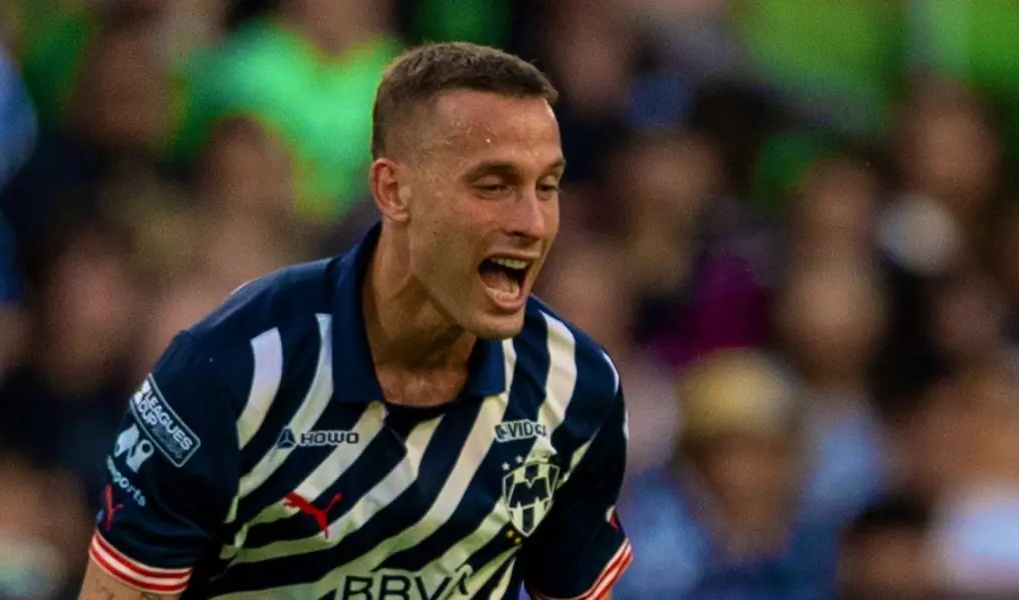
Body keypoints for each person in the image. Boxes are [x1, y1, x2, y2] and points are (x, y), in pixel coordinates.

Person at [76, 42, 632, 600]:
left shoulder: (577, 388)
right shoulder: (229, 372)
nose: (533, 222)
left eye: (548, 186)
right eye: (493, 185)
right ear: (392, 190)